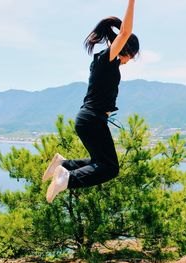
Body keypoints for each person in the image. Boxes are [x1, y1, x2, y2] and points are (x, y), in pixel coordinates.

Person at [42, 0, 139, 203]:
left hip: (88, 120)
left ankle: (65, 164)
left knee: (98, 163)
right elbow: (125, 32)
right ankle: (67, 177)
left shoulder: (100, 61)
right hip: (92, 120)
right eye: (133, 56)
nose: (131, 60)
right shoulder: (107, 58)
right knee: (110, 168)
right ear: (127, 49)